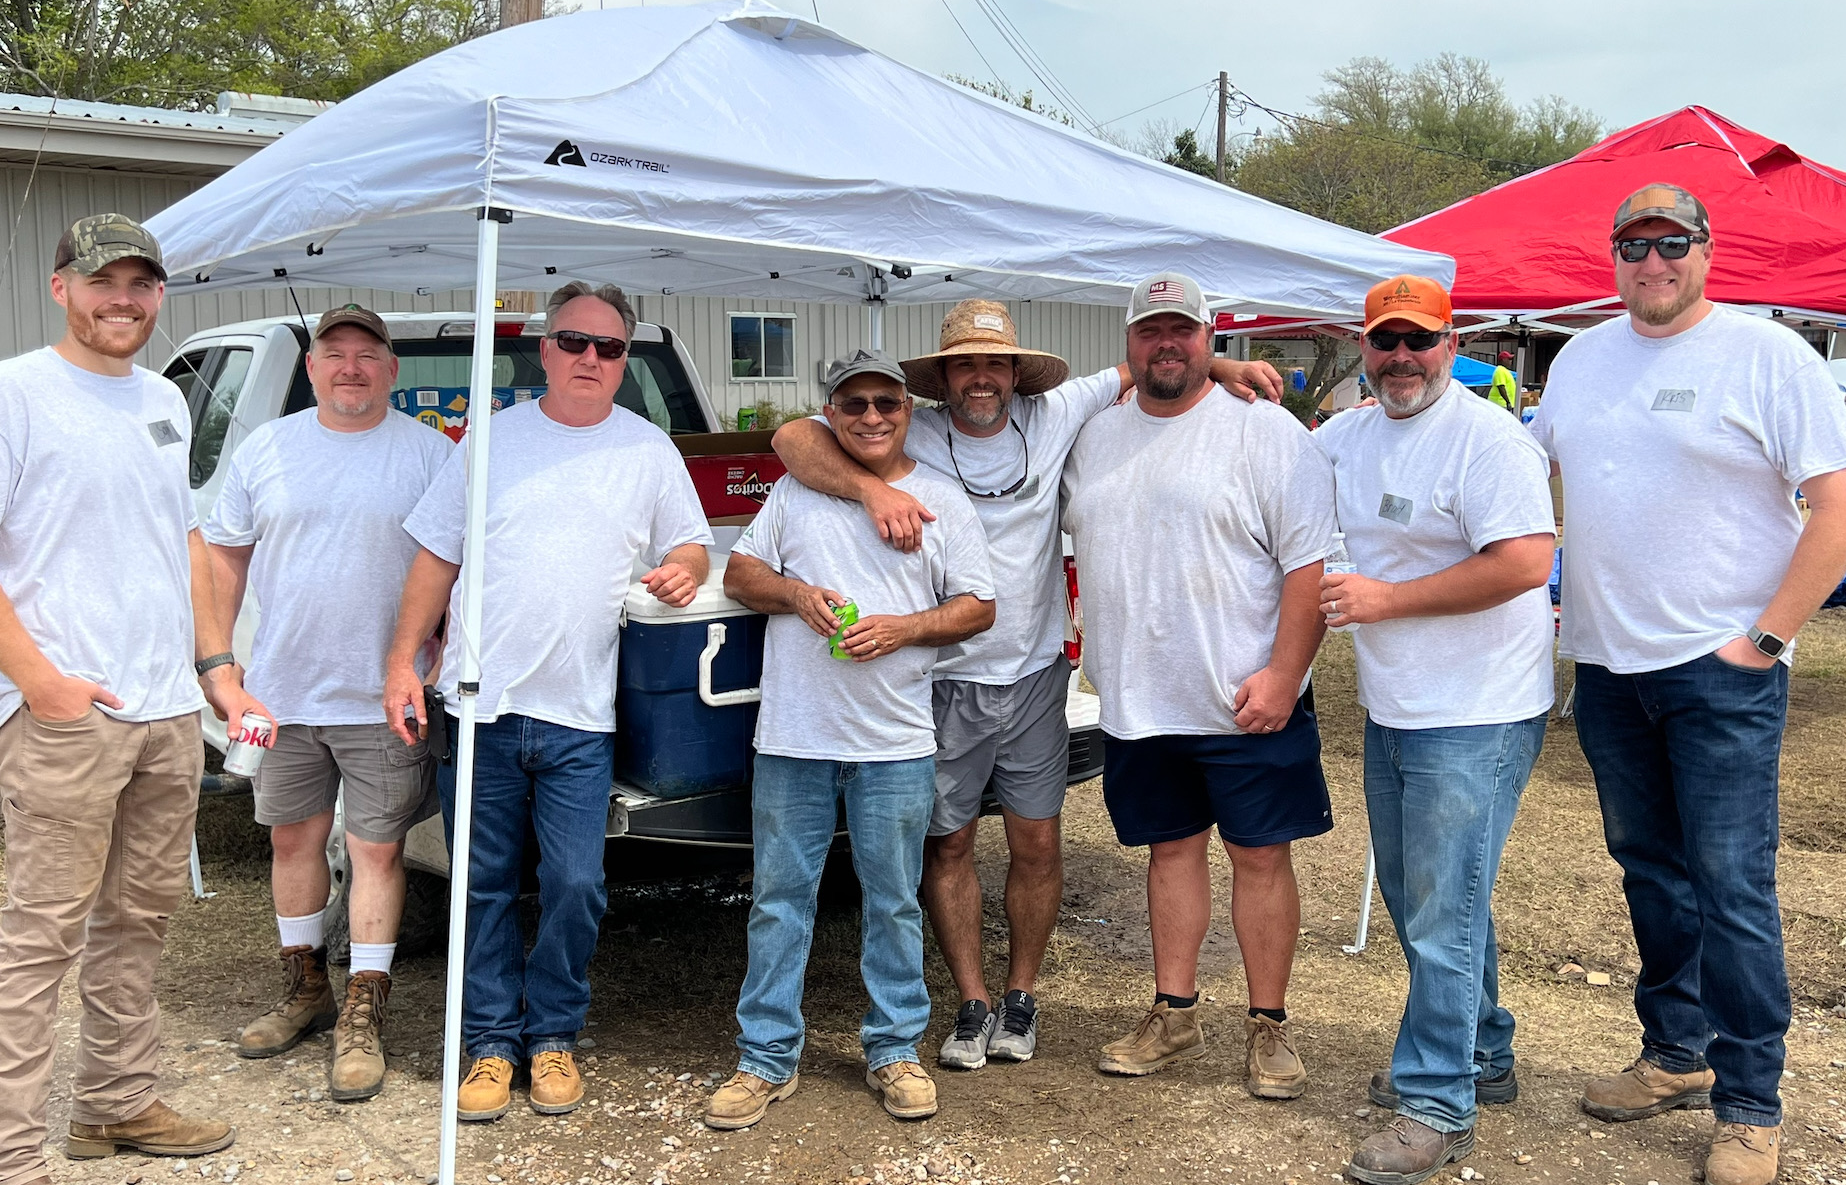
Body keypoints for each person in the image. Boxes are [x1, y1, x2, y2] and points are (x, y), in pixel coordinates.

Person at [770, 302, 1281, 1072]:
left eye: (995, 363)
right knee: (948, 843)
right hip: (941, 676)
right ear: (942, 379)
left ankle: (1021, 997)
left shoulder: (1057, 410)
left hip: (1036, 670)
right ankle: (971, 1001)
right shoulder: (915, 431)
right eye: (965, 365)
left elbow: (1156, 361)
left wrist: (1223, 365)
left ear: (1017, 371)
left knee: (1036, 841)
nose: (981, 378)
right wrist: (874, 493)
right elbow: (791, 436)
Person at [0, 214, 269, 1185]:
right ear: (61, 286)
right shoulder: (6, 392)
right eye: (103, 279)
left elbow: (184, 542)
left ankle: (115, 1099)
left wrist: (215, 671)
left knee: (137, 920)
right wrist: (38, 683)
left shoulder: (160, 399)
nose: (124, 298)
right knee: (41, 935)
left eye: (142, 281)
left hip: (161, 712)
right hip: (65, 718)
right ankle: (7, 1168)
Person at [1529, 183, 1846, 1185]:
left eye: (1668, 241)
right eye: (1631, 242)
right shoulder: (1580, 358)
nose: (1650, 260)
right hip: (1604, 665)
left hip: (1719, 674)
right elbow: (1514, 459)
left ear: (1704, 250)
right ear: (1613, 253)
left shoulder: (1766, 355)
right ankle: (1674, 1050)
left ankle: (1750, 1104)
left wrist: (1766, 638)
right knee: (1648, 869)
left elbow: (1844, 503)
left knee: (1729, 884)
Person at [384, 281, 710, 1122]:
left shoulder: (647, 450)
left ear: (625, 358)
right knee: (483, 886)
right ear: (544, 349)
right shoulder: (491, 441)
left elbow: (692, 542)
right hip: (480, 706)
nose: (590, 360)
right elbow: (435, 560)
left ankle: (555, 1033)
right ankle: (491, 1045)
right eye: (574, 342)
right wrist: (398, 664)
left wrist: (685, 569)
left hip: (581, 715)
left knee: (574, 884)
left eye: (608, 348)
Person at [1063, 274, 1337, 1099]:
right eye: (1152, 331)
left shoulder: (1265, 433)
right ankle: (1173, 1012)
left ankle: (1269, 1026)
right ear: (1129, 343)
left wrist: (1285, 676)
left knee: (1260, 857)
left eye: (1183, 330)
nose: (1167, 344)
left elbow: (1309, 565)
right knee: (1170, 851)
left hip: (1245, 697)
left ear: (1210, 338)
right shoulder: (1093, 437)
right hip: (1141, 696)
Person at [709, 352, 996, 1130]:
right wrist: (796, 593)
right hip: (795, 736)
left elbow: (978, 607)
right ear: (830, 413)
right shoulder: (795, 490)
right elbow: (739, 574)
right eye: (854, 404)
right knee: (778, 901)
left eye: (885, 404)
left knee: (893, 903)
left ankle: (894, 1049)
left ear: (909, 411)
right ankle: (765, 1058)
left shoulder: (940, 499)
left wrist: (903, 629)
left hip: (896, 740)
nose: (871, 417)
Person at [1314, 275, 1557, 1185]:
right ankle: (1484, 1052)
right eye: (1386, 342)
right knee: (1442, 894)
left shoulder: (1488, 440)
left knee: (1436, 905)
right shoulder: (1349, 433)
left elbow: (1528, 561)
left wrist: (1387, 599)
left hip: (1481, 708)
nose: (1402, 358)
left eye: (1420, 341)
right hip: (1398, 704)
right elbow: (1277, 457)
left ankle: (1437, 1098)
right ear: (1364, 348)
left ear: (1451, 345)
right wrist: (1226, 365)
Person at [204, 305, 455, 1101]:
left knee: (378, 850)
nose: (350, 367)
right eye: (334, 353)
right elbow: (222, 560)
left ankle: (364, 1011)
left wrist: (442, 644)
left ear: (392, 370)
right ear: (310, 368)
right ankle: (305, 988)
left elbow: (456, 561)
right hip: (281, 692)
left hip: (387, 693)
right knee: (292, 845)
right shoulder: (266, 450)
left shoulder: (429, 455)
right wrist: (220, 666)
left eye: (367, 354)